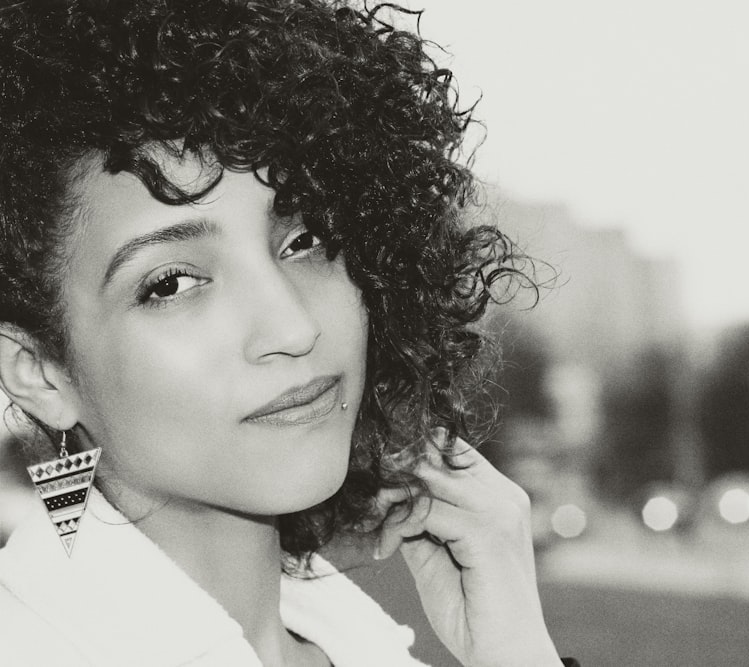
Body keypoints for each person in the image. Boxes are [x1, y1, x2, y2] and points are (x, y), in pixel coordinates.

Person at [0, 1, 578, 665]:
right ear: (37, 370)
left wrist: (515, 650)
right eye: (172, 283)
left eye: (306, 240)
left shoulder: (360, 642)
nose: (293, 326)